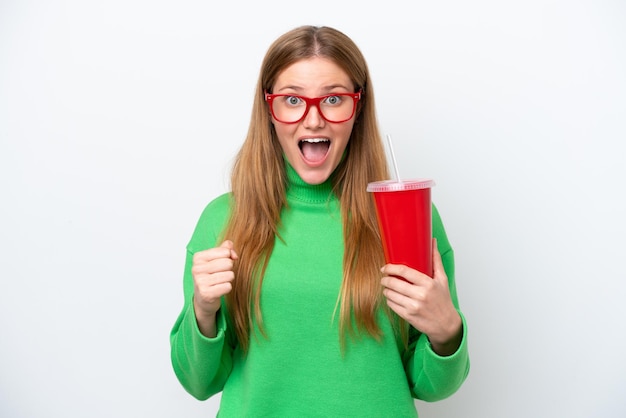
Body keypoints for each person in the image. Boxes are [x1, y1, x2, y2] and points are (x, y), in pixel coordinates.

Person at [170, 25, 469, 417]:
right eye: (293, 99)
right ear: (269, 109)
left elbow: (430, 388)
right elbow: (198, 382)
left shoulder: (408, 217)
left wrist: (446, 333)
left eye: (333, 98)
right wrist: (203, 312)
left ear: (357, 107)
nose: (313, 120)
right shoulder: (223, 219)